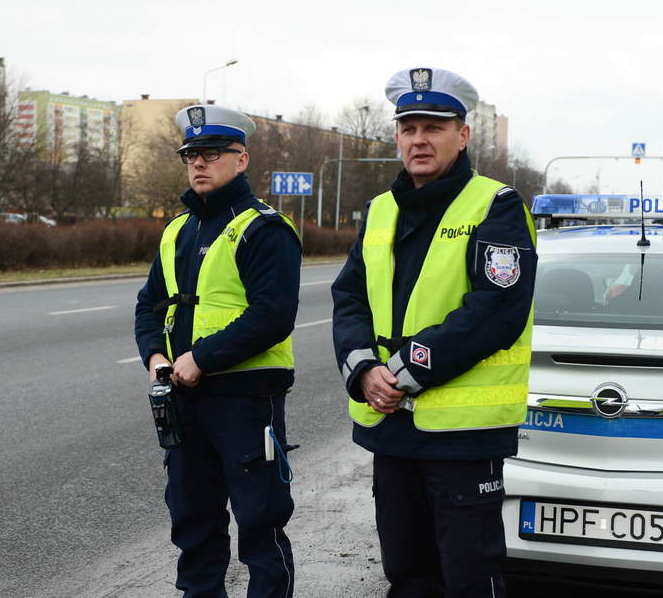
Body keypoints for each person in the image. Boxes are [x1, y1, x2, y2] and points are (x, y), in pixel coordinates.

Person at [331, 67, 537, 597]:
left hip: (463, 436)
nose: (418, 140)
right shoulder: (380, 210)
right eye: (408, 128)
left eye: (434, 127)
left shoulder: (498, 206)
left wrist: (401, 371)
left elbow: (495, 311)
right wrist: (362, 370)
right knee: (407, 573)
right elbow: (350, 296)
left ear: (462, 135)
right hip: (391, 426)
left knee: (468, 577)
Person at [134, 104, 301, 598]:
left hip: (246, 402)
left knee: (261, 528)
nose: (199, 163)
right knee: (195, 528)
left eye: (211, 153)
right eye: (191, 155)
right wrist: (156, 358)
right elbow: (148, 306)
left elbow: (272, 316)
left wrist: (201, 358)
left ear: (241, 159)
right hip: (183, 400)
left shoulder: (263, 228)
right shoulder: (177, 230)